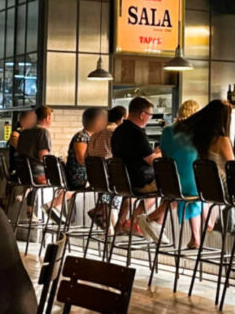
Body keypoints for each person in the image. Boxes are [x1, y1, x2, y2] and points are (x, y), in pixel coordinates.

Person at [136, 100, 203, 248]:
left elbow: (164, 155)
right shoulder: (196, 134)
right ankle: (195, 237)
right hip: (189, 184)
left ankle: (153, 219)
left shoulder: (167, 131)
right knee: (196, 194)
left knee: (181, 194)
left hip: (169, 181)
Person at [111, 97, 161, 234]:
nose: (150, 118)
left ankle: (120, 224)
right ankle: (133, 221)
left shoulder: (118, 131)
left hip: (123, 181)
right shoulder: (137, 133)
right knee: (164, 188)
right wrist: (160, 154)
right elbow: (152, 161)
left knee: (130, 195)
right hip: (139, 180)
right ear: (142, 115)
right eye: (150, 115)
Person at [87, 105, 126, 233]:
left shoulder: (94, 133)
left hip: (97, 178)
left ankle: (103, 210)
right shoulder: (115, 131)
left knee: (108, 194)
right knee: (123, 190)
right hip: (110, 178)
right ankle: (114, 227)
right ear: (122, 119)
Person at [16, 106, 53, 184]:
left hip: (23, 174)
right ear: (48, 117)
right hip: (38, 175)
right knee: (62, 183)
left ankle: (28, 194)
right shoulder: (43, 132)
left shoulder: (24, 132)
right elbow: (43, 158)